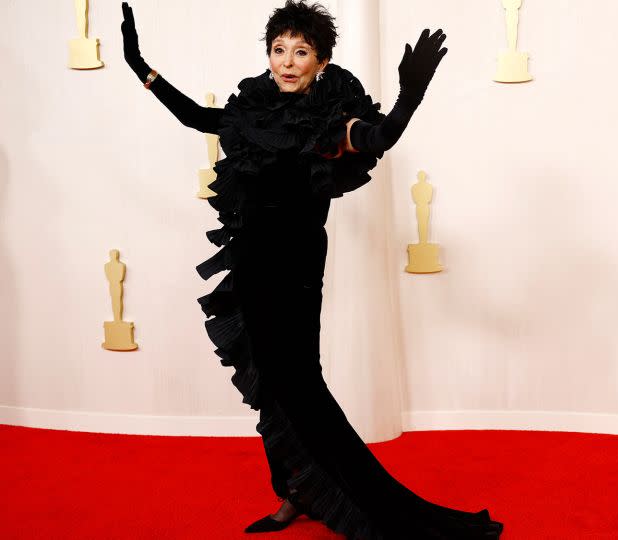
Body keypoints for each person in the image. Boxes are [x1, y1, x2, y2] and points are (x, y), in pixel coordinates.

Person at [120, 1, 504, 538]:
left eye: (301, 52)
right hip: (249, 262)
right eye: (279, 50)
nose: (286, 62)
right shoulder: (255, 110)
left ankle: (390, 514)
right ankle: (296, 490)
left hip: (295, 268)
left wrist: (408, 97)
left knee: (302, 387)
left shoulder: (330, 115)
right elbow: (196, 117)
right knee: (272, 388)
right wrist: (139, 64)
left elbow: (378, 138)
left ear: (321, 60)